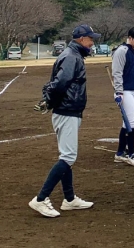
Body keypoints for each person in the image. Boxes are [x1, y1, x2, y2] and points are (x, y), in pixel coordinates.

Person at [28, 24, 99, 218]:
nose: (92, 43)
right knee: (68, 157)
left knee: (66, 156)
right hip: (67, 111)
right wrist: (49, 100)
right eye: (91, 39)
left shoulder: (72, 55)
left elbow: (58, 83)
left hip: (68, 111)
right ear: (81, 39)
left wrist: (49, 101)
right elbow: (60, 84)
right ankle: (41, 199)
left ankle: (69, 199)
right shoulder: (72, 57)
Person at [111, 26, 134, 166]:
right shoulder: (122, 51)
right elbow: (117, 72)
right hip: (126, 91)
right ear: (130, 38)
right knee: (132, 121)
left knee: (127, 122)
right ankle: (131, 152)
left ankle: (120, 153)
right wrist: (119, 92)